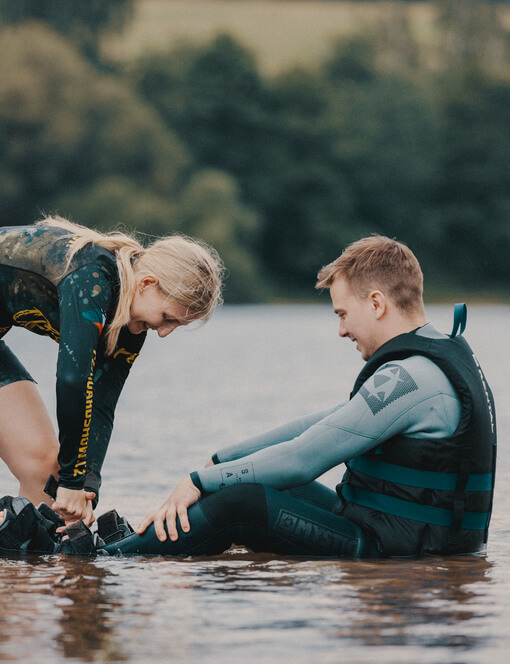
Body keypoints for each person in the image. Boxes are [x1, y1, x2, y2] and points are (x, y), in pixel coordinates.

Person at [99, 234, 495, 559]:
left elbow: (303, 459)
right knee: (256, 483)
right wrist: (225, 458)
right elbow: (324, 425)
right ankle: (134, 545)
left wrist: (199, 480)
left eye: (342, 314)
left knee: (241, 505)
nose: (341, 330)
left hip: (397, 549)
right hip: (396, 532)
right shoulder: (429, 359)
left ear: (376, 303)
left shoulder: (411, 377)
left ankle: (112, 559)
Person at [0, 217, 224, 529]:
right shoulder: (91, 277)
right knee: (63, 479)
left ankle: (33, 571)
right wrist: (72, 482)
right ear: (146, 284)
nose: (164, 333)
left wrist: (86, 490)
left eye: (176, 326)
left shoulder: (131, 324)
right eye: (167, 318)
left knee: (44, 472)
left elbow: (102, 405)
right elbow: (72, 380)